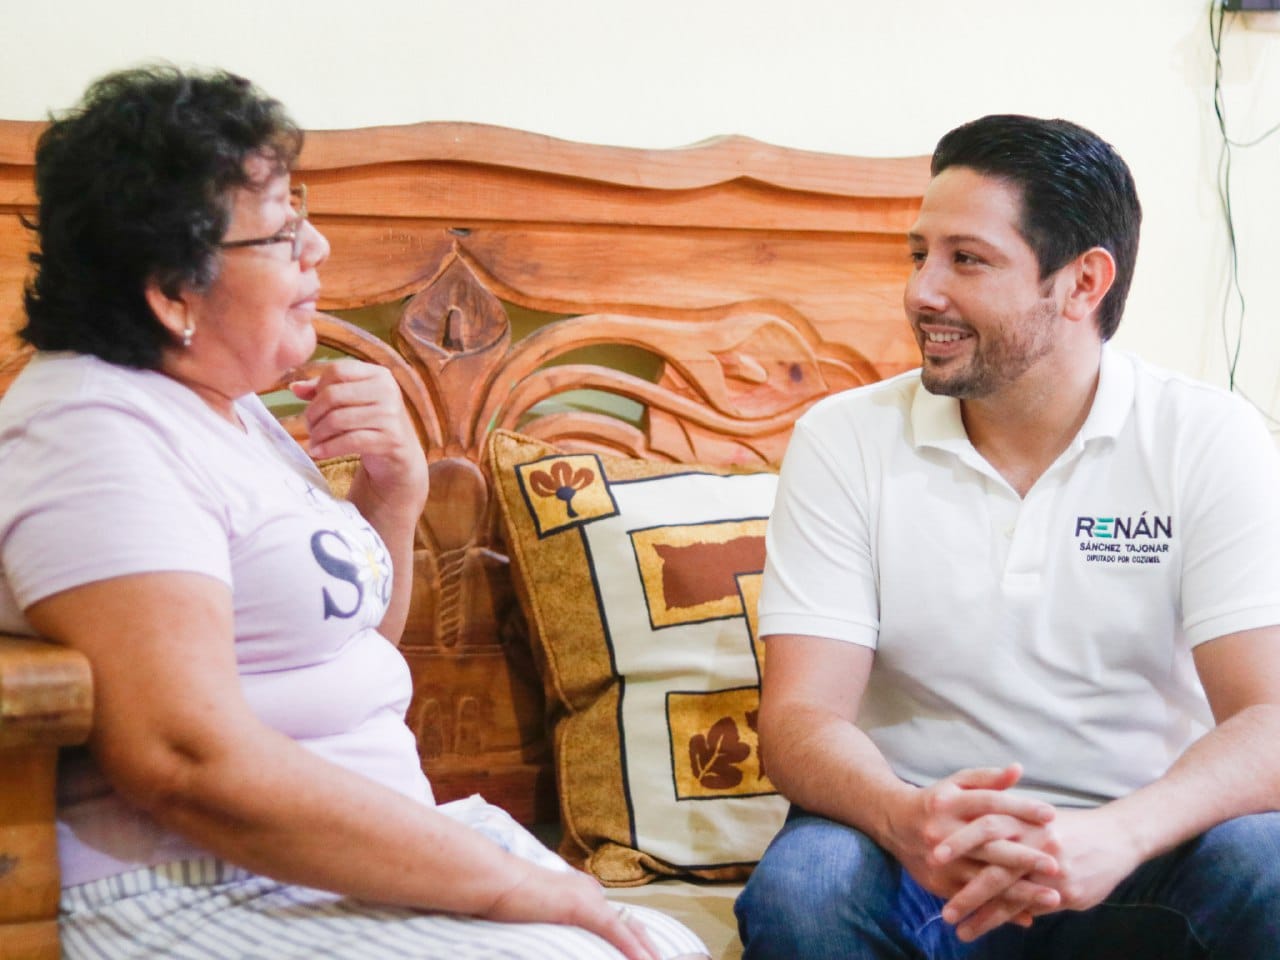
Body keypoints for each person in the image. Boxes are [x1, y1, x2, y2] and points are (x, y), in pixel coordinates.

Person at [0, 66, 708, 960]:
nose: (319, 246)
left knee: (658, 945)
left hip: (339, 863)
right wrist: (506, 883)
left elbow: (344, 652)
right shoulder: (92, 433)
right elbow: (182, 759)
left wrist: (392, 495)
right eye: (281, 230)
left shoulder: (223, 404)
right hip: (199, 887)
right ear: (173, 290)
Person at [734, 114, 1280, 959]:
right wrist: (903, 817)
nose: (922, 292)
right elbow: (800, 715)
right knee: (805, 888)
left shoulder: (1208, 437)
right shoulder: (843, 439)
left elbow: (1270, 717)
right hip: (920, 846)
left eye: (968, 260)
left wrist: (1123, 833)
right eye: (919, 254)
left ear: (1083, 282)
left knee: (1270, 862)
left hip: (1144, 845)